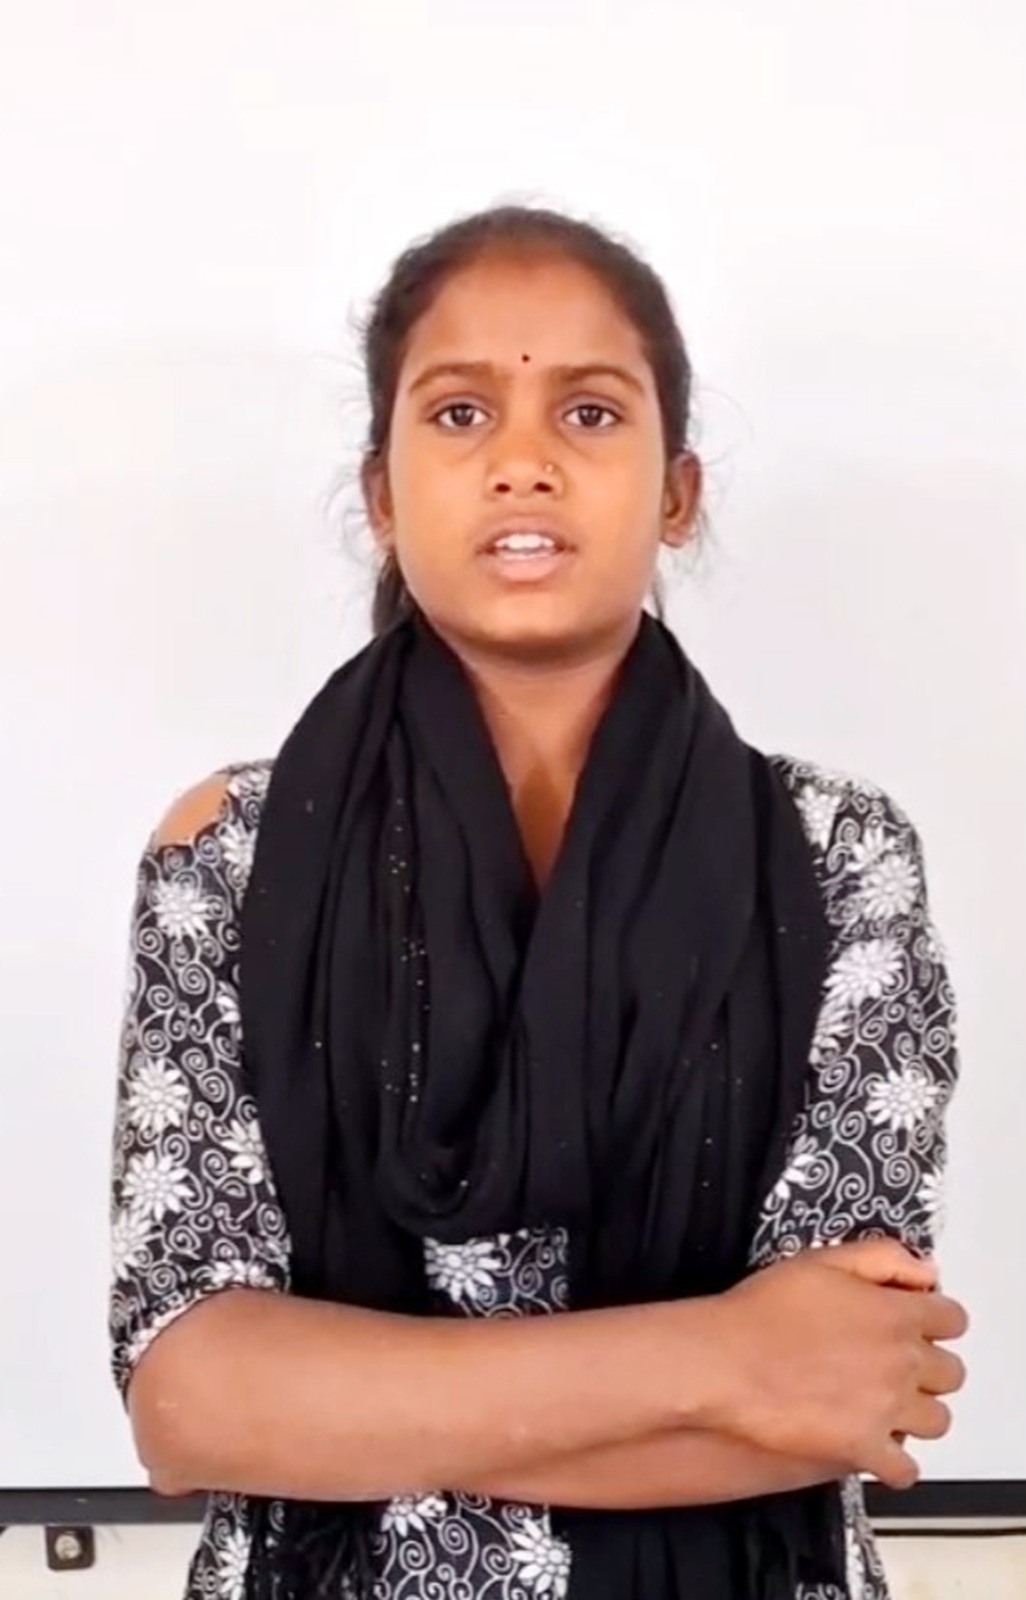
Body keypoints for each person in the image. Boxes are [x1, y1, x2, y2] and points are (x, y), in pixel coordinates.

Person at [109, 205, 968, 1600]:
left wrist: (345, 1407)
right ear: (382, 493)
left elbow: (847, 1388)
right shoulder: (232, 853)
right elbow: (191, 1401)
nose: (523, 461)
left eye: (589, 412)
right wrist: (723, 1357)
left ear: (676, 491)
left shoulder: (832, 853)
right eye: (459, 413)